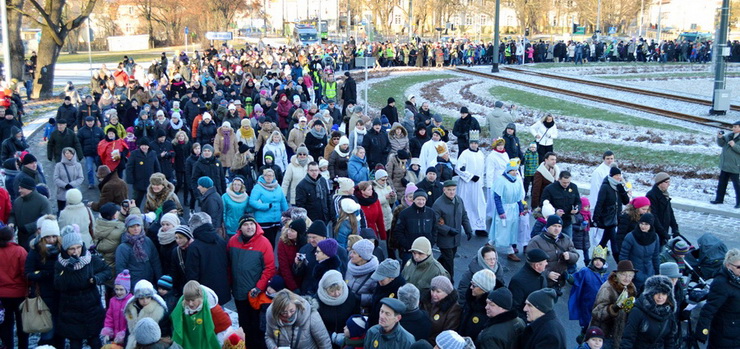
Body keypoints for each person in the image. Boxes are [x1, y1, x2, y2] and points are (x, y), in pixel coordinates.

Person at [55, 226, 112, 349]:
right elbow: (58, 284)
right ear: (66, 249)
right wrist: (69, 269)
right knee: (75, 343)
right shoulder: (60, 263)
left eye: (78, 247)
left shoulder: (90, 259)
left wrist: (97, 278)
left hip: (91, 305)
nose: (76, 251)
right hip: (70, 307)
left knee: (95, 341)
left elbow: (107, 271)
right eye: (72, 249)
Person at [227, 215, 276, 349]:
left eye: (252, 224)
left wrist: (258, 287)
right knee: (243, 324)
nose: (249, 227)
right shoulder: (232, 241)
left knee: (256, 326)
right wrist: (230, 284)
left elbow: (270, 268)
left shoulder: (264, 243)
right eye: (246, 225)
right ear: (240, 228)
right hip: (238, 292)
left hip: (255, 294)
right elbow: (229, 265)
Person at [694, 248, 740, 347]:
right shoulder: (721, 283)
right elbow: (709, 310)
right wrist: (703, 332)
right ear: (728, 266)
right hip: (725, 333)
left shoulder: (737, 280)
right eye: (739, 267)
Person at [590, 260, 638, 349]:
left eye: (630, 275)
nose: (627, 278)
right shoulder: (607, 288)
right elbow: (597, 312)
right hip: (604, 335)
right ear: (617, 274)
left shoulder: (631, 288)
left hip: (620, 335)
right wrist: (613, 308)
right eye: (624, 274)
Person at [185, 212, 230, 305]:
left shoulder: (194, 247)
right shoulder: (221, 240)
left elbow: (192, 274)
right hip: (222, 289)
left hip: (204, 293)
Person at [620, 275, 677, 348]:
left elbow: (670, 340)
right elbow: (628, 338)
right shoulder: (637, 311)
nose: (660, 297)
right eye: (657, 293)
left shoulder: (668, 312)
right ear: (650, 294)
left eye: (664, 294)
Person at [170, 281, 231, 349]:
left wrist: (220, 343)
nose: (190, 304)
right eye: (187, 300)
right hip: (189, 342)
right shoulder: (181, 307)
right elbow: (176, 323)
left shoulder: (212, 309)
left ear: (200, 297)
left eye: (193, 300)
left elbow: (223, 325)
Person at [294, 220, 348, 295]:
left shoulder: (339, 251)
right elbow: (298, 274)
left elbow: (342, 274)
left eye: (314, 237)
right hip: (307, 291)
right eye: (309, 237)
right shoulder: (305, 249)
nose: (311, 240)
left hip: (329, 293)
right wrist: (298, 265)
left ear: (324, 237)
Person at [264, 289, 332, 349]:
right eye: (284, 312)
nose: (289, 315)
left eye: (292, 311)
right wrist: (273, 347)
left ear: (296, 305)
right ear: (277, 311)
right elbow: (269, 336)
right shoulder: (272, 316)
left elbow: (324, 342)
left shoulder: (311, 315)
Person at [568, 246, 610, 341]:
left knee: (599, 324)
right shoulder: (586, 271)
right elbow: (575, 279)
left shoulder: (607, 277)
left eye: (600, 260)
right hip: (587, 303)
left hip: (600, 305)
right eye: (596, 260)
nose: (598, 262)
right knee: (587, 322)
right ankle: (584, 335)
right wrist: (568, 277)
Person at [433, 179, 473, 277]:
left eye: (454, 190)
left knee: (447, 258)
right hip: (445, 238)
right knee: (449, 261)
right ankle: (449, 281)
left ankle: (433, 270)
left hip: (455, 237)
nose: (452, 192)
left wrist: (468, 229)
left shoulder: (459, 200)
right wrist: (448, 230)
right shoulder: (438, 204)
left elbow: (464, 215)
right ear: (444, 190)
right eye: (449, 190)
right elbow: (435, 223)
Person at [527, 215, 579, 289]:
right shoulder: (535, 242)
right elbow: (530, 264)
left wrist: (570, 256)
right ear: (548, 226)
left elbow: (576, 255)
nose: (557, 229)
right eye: (554, 226)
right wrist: (547, 274)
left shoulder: (566, 239)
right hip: (541, 283)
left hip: (559, 283)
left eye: (559, 226)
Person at [0, 225, 29, 349]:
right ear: (12, 237)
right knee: (23, 325)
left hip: (2, 295)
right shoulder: (20, 251)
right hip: (20, 294)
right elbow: (26, 273)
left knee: (6, 325)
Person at [490, 161, 526, 261]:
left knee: (512, 230)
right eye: (512, 171)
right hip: (505, 208)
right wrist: (501, 211)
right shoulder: (501, 181)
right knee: (503, 229)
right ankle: (509, 251)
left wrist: (520, 209)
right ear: (508, 171)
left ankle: (490, 243)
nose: (515, 172)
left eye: (516, 170)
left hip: (514, 208)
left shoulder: (517, 181)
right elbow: (497, 197)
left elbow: (519, 197)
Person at [456, 130, 487, 234]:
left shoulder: (481, 154)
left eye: (475, 143)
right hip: (466, 184)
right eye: (472, 143)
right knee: (465, 204)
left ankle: (479, 227)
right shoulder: (465, 154)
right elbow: (458, 168)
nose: (474, 145)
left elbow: (483, 169)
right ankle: (463, 226)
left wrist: (481, 182)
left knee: (478, 204)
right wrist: (470, 176)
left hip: (477, 185)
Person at [8, 176, 52, 249]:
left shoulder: (43, 202)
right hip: (21, 239)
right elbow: (12, 215)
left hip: (38, 240)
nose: (19, 190)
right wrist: (11, 223)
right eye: (19, 188)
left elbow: (46, 219)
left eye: (21, 188)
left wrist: (27, 228)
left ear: (29, 189)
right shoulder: (17, 201)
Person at [620, 213, 660, 292]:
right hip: (634, 274)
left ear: (651, 225)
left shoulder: (655, 237)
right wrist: (629, 273)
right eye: (641, 223)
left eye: (646, 224)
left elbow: (656, 256)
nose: (643, 226)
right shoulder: (630, 237)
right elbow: (623, 256)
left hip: (650, 272)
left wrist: (657, 272)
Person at [315, 270, 361, 338]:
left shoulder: (352, 298)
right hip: (325, 339)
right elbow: (316, 327)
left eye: (339, 289)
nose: (336, 294)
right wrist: (333, 336)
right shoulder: (316, 302)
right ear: (325, 290)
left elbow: (355, 319)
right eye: (332, 291)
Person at [594, 167, 630, 252]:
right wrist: (596, 217)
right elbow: (600, 203)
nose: (618, 177)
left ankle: (596, 259)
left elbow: (626, 201)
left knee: (603, 242)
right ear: (611, 175)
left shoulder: (619, 186)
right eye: (616, 175)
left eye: (619, 175)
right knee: (615, 243)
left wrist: (622, 191)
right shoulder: (605, 186)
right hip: (608, 217)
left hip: (616, 217)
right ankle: (619, 262)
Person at [123, 280, 169, 348]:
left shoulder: (158, 311)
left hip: (151, 346)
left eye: (148, 297)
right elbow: (129, 331)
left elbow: (164, 331)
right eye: (141, 298)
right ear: (137, 298)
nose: (145, 301)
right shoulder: (131, 310)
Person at [396, 192, 437, 265]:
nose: (421, 202)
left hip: (426, 251)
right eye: (418, 199)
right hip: (410, 251)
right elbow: (398, 231)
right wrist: (407, 245)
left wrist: (431, 242)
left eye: (423, 199)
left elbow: (435, 229)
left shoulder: (431, 212)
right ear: (413, 200)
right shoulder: (405, 213)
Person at [249, 168, 289, 246]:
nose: (269, 177)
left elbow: (283, 201)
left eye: (271, 175)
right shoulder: (258, 187)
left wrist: (287, 214)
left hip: (276, 220)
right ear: (263, 176)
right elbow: (252, 201)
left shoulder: (278, 187)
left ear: (273, 177)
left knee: (273, 242)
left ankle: (270, 257)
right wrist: (265, 206)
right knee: (266, 243)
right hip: (263, 220)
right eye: (267, 175)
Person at [420, 275, 462, 344]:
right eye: (432, 290)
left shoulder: (453, 309)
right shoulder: (424, 301)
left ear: (447, 293)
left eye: (438, 292)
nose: (434, 294)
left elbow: (447, 334)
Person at [509, 248, 548, 319]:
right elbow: (514, 308)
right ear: (537, 265)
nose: (547, 263)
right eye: (545, 262)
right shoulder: (518, 281)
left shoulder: (540, 274)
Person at [710, 121, 740, 208]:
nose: (733, 128)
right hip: (725, 164)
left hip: (735, 165)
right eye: (733, 127)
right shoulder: (729, 135)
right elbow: (721, 144)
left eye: (736, 127)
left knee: (737, 185)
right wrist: (720, 137)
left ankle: (739, 202)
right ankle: (719, 199)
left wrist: (734, 145)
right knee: (722, 183)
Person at [101, 270, 133, 346]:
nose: (118, 292)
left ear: (127, 289)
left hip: (127, 338)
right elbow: (109, 317)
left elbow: (131, 321)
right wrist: (108, 330)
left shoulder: (130, 302)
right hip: (115, 337)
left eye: (121, 289)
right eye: (116, 289)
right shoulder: (112, 301)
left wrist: (123, 334)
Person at [645, 172, 679, 245]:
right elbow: (653, 216)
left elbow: (670, 213)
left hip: (663, 231)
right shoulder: (651, 195)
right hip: (655, 232)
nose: (669, 184)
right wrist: (663, 232)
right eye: (666, 182)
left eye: (669, 182)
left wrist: (675, 228)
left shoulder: (665, 195)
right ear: (659, 183)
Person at [126, 138, 162, 206]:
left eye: (145, 145)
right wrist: (130, 179)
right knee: (136, 201)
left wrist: (159, 178)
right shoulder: (134, 154)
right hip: (138, 182)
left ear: (148, 146)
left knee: (151, 202)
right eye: (142, 145)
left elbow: (157, 167)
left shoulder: (153, 153)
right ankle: (135, 214)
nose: (144, 147)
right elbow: (129, 167)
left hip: (150, 182)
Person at [77, 116, 105, 188]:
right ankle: (91, 183)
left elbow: (104, 141)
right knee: (89, 169)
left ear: (94, 121)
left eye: (91, 121)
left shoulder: (99, 130)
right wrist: (82, 152)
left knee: (100, 169)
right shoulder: (81, 131)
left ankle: (101, 182)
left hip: (98, 153)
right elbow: (78, 143)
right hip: (88, 154)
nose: (90, 123)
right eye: (88, 121)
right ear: (86, 122)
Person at [53, 147, 84, 211]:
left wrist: (72, 184)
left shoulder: (78, 165)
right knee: (62, 211)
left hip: (74, 191)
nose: (69, 155)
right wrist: (65, 185)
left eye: (71, 153)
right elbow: (56, 178)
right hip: (62, 192)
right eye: (67, 153)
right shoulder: (58, 165)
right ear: (63, 154)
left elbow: (81, 177)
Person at [589, 151, 616, 224]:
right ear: (603, 159)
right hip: (601, 202)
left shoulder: (614, 169)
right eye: (608, 158)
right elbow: (596, 188)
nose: (610, 160)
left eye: (611, 158)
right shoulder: (598, 172)